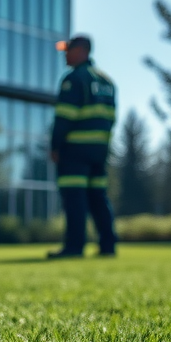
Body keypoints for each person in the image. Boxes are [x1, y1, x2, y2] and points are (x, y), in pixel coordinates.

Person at [47, 35, 117, 258]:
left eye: (68, 50)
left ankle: (74, 247)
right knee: (98, 197)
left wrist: (55, 146)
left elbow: (64, 117)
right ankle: (108, 246)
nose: (65, 54)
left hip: (75, 150)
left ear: (81, 51)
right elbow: (112, 118)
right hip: (100, 151)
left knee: (74, 197)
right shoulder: (107, 82)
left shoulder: (74, 79)